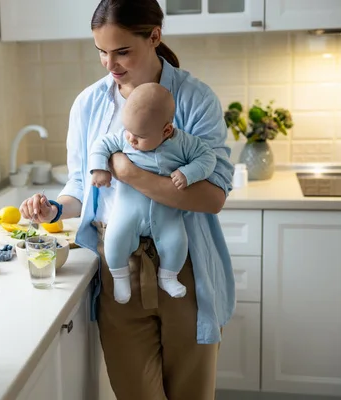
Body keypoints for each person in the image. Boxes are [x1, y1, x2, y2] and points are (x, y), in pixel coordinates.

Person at [19, 0, 235, 398]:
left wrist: (128, 172)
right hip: (117, 263)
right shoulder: (89, 104)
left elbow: (212, 197)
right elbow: (81, 190)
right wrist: (53, 208)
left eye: (122, 51)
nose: (109, 64)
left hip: (185, 265)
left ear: (154, 37)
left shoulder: (194, 99)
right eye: (101, 51)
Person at [89, 82, 217, 304]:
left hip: (166, 214)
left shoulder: (184, 143)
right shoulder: (125, 136)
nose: (130, 139)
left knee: (176, 241)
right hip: (129, 210)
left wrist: (189, 173)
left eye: (139, 136)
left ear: (166, 130)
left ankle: (168, 277)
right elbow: (101, 144)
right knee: (115, 237)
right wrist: (99, 168)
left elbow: (208, 159)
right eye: (128, 131)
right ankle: (120, 277)